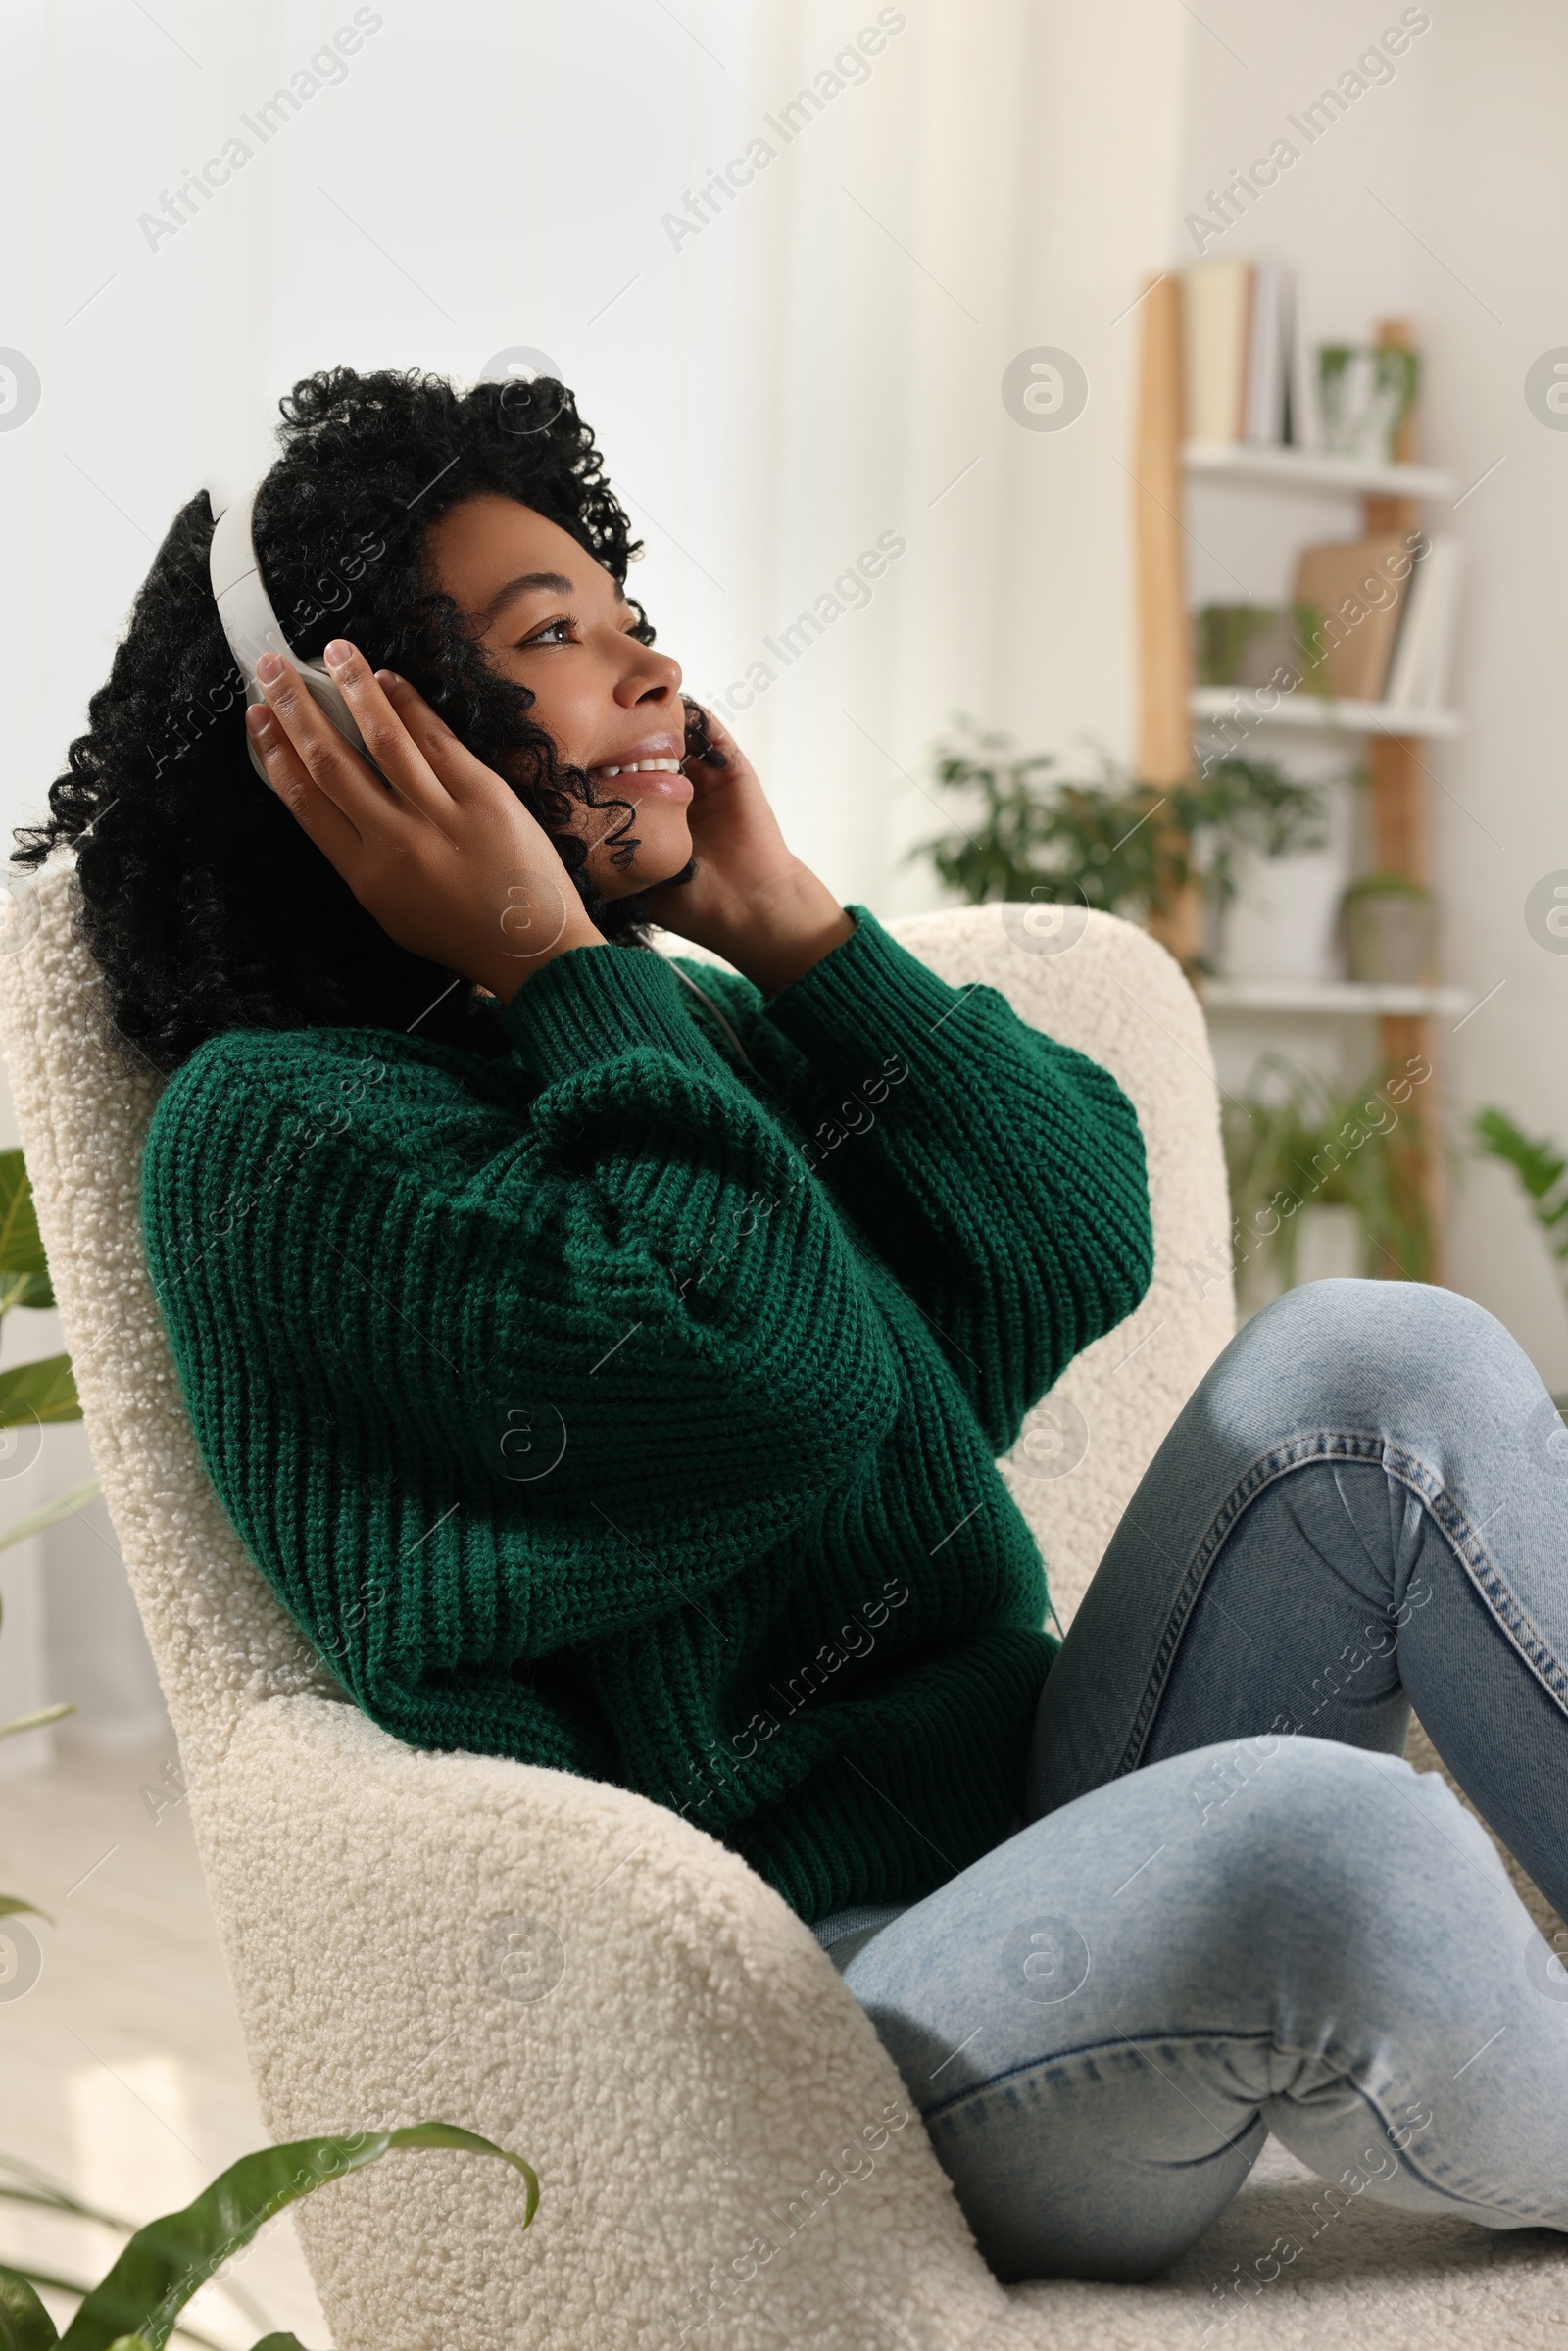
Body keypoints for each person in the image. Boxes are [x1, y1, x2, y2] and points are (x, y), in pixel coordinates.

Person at [15, 366, 1566, 2284]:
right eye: (553, 638)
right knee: (1349, 1845)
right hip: (832, 2025)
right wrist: (558, 966)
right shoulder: (289, 1144)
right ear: (345, 739)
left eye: (633, 620)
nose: (651, 674)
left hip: (1037, 1819)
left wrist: (793, 934)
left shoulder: (682, 1044)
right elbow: (770, 1368)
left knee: (1378, 1365)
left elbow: (1077, 1241)